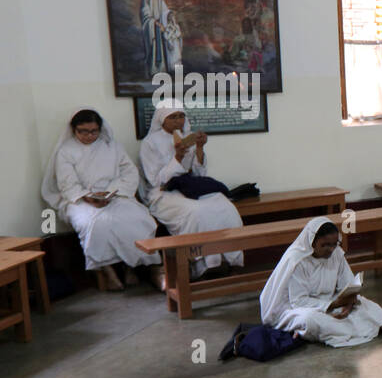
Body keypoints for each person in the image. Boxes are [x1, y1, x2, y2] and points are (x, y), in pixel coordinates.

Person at [41, 108, 163, 291]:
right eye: (83, 131)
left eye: (93, 131)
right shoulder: (66, 152)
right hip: (80, 200)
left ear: (100, 128)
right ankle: (106, 270)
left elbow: (129, 172)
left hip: (115, 195)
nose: (89, 135)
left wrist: (112, 192)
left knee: (138, 219)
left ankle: (131, 267)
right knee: (96, 224)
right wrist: (88, 198)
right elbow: (67, 184)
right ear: (74, 130)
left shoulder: (112, 146)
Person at [138, 100, 244, 278]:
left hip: (191, 186)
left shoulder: (187, 136)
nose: (178, 121)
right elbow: (155, 180)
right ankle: (204, 264)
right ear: (161, 119)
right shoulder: (150, 143)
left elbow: (199, 172)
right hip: (165, 192)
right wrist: (178, 158)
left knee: (226, 207)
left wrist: (200, 148)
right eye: (172, 117)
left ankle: (232, 260)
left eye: (181, 116)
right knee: (196, 212)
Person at [259, 217, 382, 347]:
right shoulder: (298, 260)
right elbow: (298, 301)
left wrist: (347, 305)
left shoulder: (336, 254)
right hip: (294, 308)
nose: (330, 249)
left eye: (334, 244)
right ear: (312, 242)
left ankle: (376, 324)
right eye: (325, 245)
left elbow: (347, 285)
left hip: (330, 301)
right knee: (310, 320)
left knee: (363, 303)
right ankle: (369, 328)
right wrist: (332, 305)